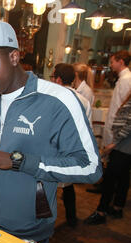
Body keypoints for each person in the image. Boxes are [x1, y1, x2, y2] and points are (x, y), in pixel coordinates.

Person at [0, 21, 102, 243]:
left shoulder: (59, 100)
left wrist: (16, 160)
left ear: (14, 57)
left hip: (26, 239)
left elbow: (91, 167)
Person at [51, 63, 92, 228]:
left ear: (58, 79)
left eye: (52, 77)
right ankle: (72, 218)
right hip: (72, 152)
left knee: (47, 190)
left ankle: (43, 225)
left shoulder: (52, 99)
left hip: (53, 152)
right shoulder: (83, 100)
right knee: (68, 187)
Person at [85, 93, 131, 225]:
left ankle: (101, 212)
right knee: (123, 178)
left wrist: (114, 143)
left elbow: (128, 125)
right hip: (126, 146)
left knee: (110, 179)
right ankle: (117, 207)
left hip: (123, 145)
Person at [103, 50, 131, 148]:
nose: (111, 65)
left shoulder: (126, 79)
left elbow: (124, 106)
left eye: (112, 62)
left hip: (118, 126)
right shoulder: (122, 78)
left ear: (121, 62)